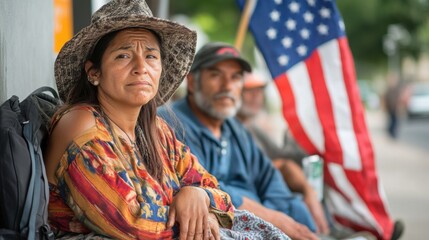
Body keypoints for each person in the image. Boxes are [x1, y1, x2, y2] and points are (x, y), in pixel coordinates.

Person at [44, 1, 289, 239]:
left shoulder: (156, 130)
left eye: (151, 56)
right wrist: (201, 219)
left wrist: (199, 196)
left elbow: (217, 191)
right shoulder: (80, 123)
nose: (141, 67)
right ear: (94, 72)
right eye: (123, 56)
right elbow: (135, 224)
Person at [158, 42, 318, 240]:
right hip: (222, 224)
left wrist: (286, 215)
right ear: (192, 83)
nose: (227, 86)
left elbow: (269, 179)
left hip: (260, 222)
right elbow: (202, 187)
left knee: (297, 208)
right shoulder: (169, 122)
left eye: (235, 77)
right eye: (216, 75)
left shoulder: (235, 128)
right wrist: (271, 218)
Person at [236, 72, 330, 235]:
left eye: (259, 92)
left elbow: (281, 156)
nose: (256, 97)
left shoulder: (252, 127)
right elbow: (276, 165)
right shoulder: (231, 129)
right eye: (250, 91)